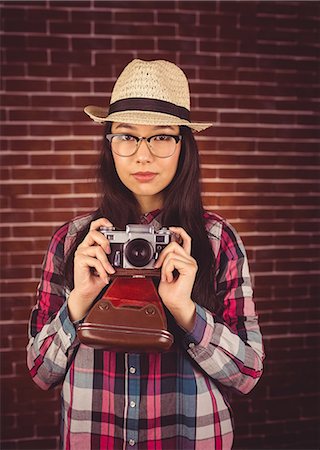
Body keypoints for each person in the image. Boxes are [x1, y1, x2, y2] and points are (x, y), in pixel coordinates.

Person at [27, 59, 265, 450]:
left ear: (183, 145)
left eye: (161, 137)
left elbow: (248, 374)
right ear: (109, 144)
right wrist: (80, 301)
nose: (142, 155)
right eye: (126, 136)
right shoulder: (74, 241)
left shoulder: (216, 239)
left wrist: (186, 311)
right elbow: (39, 373)